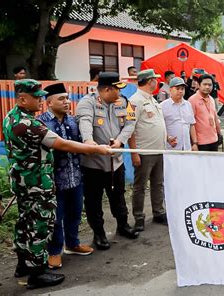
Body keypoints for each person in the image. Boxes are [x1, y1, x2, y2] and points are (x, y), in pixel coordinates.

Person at [3, 79, 110, 289]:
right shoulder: (28, 123)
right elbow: (61, 144)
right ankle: (37, 274)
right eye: (36, 97)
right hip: (36, 184)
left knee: (25, 225)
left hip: (23, 181)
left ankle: (23, 265)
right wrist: (96, 149)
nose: (40, 100)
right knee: (39, 226)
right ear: (23, 99)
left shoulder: (11, 117)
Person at [76, 72, 139, 251]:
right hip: (93, 163)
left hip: (115, 162)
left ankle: (123, 225)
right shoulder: (87, 103)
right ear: (106, 89)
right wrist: (88, 141)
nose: (119, 94)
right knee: (94, 200)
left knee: (118, 195)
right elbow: (85, 121)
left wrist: (120, 141)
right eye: (116, 90)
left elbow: (130, 123)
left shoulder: (125, 102)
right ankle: (99, 233)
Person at [38, 83, 94, 270]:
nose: (67, 102)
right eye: (61, 99)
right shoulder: (42, 123)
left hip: (75, 177)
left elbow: (79, 145)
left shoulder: (72, 121)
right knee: (55, 218)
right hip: (54, 181)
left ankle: (72, 244)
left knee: (75, 213)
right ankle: (54, 251)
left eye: (67, 98)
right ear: (49, 102)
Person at [129, 69, 174, 232]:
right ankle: (139, 217)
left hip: (159, 150)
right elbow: (130, 129)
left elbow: (157, 124)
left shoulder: (153, 100)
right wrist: (134, 152)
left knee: (158, 183)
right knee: (140, 186)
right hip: (144, 152)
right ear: (150, 81)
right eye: (155, 79)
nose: (157, 82)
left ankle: (158, 212)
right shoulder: (134, 101)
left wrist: (168, 138)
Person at [161, 77, 198, 151]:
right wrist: (168, 138)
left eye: (182, 89)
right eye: (177, 89)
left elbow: (191, 125)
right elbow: (160, 127)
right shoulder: (162, 106)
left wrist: (195, 143)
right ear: (170, 90)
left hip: (187, 147)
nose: (180, 91)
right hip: (171, 148)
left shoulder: (188, 105)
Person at [189, 74, 223, 151]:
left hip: (214, 140)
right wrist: (194, 143)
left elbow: (215, 118)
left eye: (210, 85)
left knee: (214, 163)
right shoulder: (192, 100)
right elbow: (191, 123)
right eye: (204, 84)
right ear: (199, 85)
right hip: (201, 142)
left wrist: (219, 133)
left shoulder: (211, 99)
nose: (207, 87)